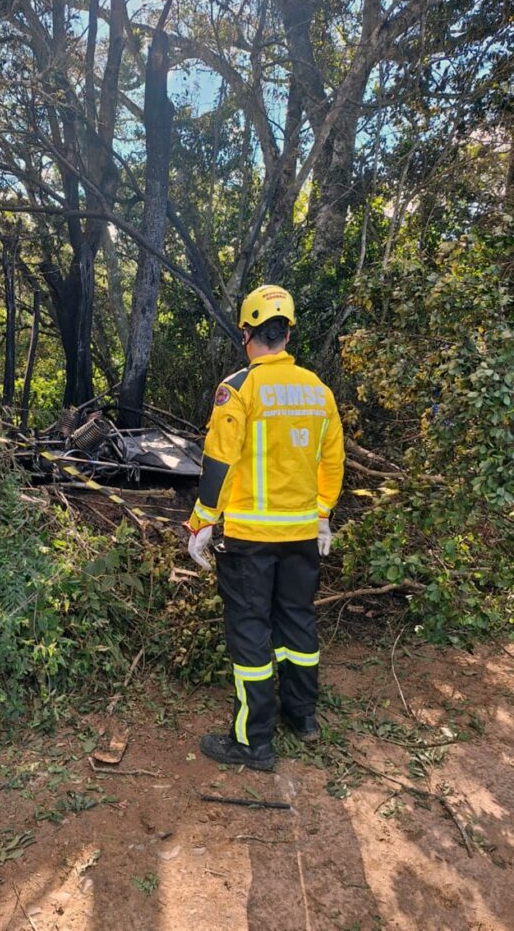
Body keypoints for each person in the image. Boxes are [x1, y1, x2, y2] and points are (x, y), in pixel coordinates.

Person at [185, 285, 344, 772]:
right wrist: (321, 514)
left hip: (250, 539)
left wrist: (202, 521)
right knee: (297, 621)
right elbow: (331, 461)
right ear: (289, 332)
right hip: (300, 537)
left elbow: (219, 459)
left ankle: (253, 741)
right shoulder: (319, 391)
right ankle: (303, 717)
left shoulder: (239, 388)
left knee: (251, 632)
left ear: (247, 333)